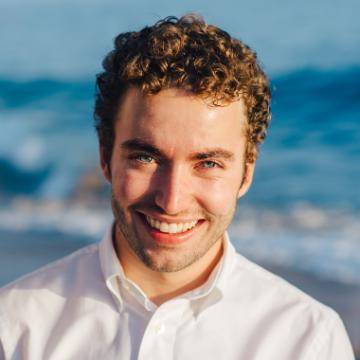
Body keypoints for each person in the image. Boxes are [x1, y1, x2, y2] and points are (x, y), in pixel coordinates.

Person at [0, 15, 355, 360]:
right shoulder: (16, 326)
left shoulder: (307, 340)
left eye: (209, 164)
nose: (172, 201)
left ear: (246, 174)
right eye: (146, 158)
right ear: (106, 158)